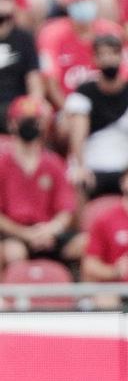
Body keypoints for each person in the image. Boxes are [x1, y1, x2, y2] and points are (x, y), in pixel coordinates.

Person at [62, 33, 128, 198]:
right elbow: (77, 135)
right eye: (102, 55)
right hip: (93, 163)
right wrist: (81, 166)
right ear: (94, 59)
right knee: (77, 180)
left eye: (113, 54)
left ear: (122, 56)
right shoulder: (83, 92)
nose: (108, 59)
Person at [0, 96, 77, 268]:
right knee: (14, 252)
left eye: (35, 120)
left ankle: (82, 295)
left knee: (83, 244)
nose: (30, 125)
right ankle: (12, 295)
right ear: (12, 124)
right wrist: (26, 234)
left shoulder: (54, 162)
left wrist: (51, 229)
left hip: (49, 230)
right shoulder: (2, 164)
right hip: (15, 232)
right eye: (24, 120)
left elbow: (66, 208)